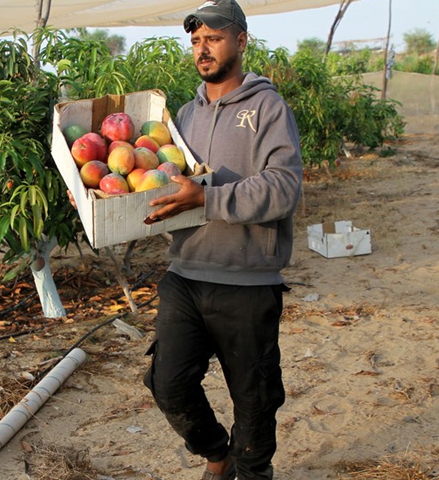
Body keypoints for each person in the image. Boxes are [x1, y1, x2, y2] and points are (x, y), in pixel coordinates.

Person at [141, 1, 303, 479]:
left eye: (213, 38)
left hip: (248, 279)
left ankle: (253, 470)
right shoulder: (184, 116)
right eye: (195, 41)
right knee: (168, 384)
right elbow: (158, 187)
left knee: (253, 400)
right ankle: (217, 454)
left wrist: (208, 199)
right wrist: (96, 198)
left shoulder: (268, 107)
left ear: (241, 41)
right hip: (186, 272)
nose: (202, 49)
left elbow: (284, 188)